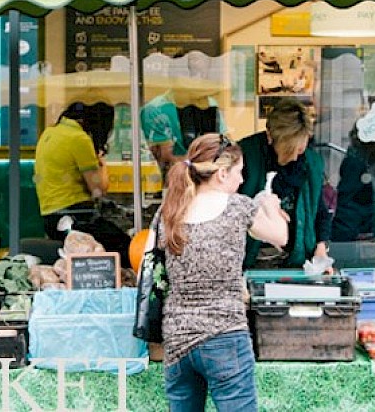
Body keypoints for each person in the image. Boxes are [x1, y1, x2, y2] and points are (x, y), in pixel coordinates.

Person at [159, 133, 288, 411]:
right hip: (225, 335)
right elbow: (281, 236)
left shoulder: (168, 211)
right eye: (238, 173)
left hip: (177, 338)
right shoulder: (238, 207)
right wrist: (271, 206)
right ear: (221, 174)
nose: (241, 181)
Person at [237, 98, 333, 269]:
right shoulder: (245, 157)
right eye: (289, 150)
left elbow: (320, 212)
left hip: (295, 262)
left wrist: (320, 249)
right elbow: (227, 208)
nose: (295, 157)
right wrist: (266, 210)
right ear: (270, 137)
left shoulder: (311, 163)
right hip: (249, 261)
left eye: (301, 149)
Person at [34, 102, 131, 266]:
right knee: (125, 246)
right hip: (76, 216)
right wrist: (102, 163)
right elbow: (99, 189)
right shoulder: (79, 138)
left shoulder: (48, 133)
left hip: (50, 218)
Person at [332, 125, 375, 242]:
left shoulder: (358, 159)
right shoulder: (367, 161)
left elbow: (346, 195)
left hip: (354, 225)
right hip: (361, 225)